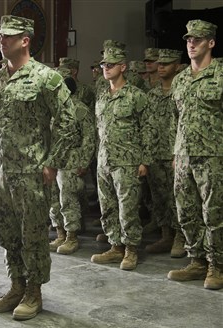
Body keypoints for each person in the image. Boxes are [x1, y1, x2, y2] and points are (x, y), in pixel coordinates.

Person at [0, 15, 78, 321]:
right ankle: (16, 285)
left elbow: (69, 122)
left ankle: (34, 292)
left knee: (34, 235)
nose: (2, 41)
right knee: (9, 233)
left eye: (8, 37)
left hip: (31, 170)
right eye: (0, 36)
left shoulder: (46, 77)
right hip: (3, 169)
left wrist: (53, 161)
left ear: (25, 40)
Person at [168, 19, 223, 290]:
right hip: (184, 156)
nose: (191, 44)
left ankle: (216, 265)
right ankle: (197, 260)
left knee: (214, 212)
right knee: (186, 211)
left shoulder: (221, 74)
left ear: (210, 43)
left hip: (214, 155)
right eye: (189, 39)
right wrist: (175, 153)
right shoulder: (179, 80)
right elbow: (175, 120)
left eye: (197, 40)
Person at [90, 45, 153, 271]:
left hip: (128, 161)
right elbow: (99, 129)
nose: (105, 68)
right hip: (105, 160)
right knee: (107, 206)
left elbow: (147, 128)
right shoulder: (102, 96)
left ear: (123, 67)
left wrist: (144, 160)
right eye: (103, 65)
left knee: (128, 208)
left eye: (110, 64)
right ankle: (115, 246)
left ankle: (131, 249)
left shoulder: (136, 95)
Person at [143, 49, 185, 258]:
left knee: (177, 197)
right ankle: (166, 234)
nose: (161, 67)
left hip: (176, 154)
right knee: (159, 197)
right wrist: (146, 156)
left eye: (166, 64)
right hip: (156, 154)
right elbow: (148, 126)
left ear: (177, 66)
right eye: (159, 64)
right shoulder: (152, 95)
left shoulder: (182, 91)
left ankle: (180, 236)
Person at [48, 74, 96, 255]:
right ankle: (59, 233)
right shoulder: (53, 109)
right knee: (53, 198)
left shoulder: (79, 109)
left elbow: (89, 138)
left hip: (71, 161)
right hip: (53, 161)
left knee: (68, 199)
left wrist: (84, 162)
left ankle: (72, 236)